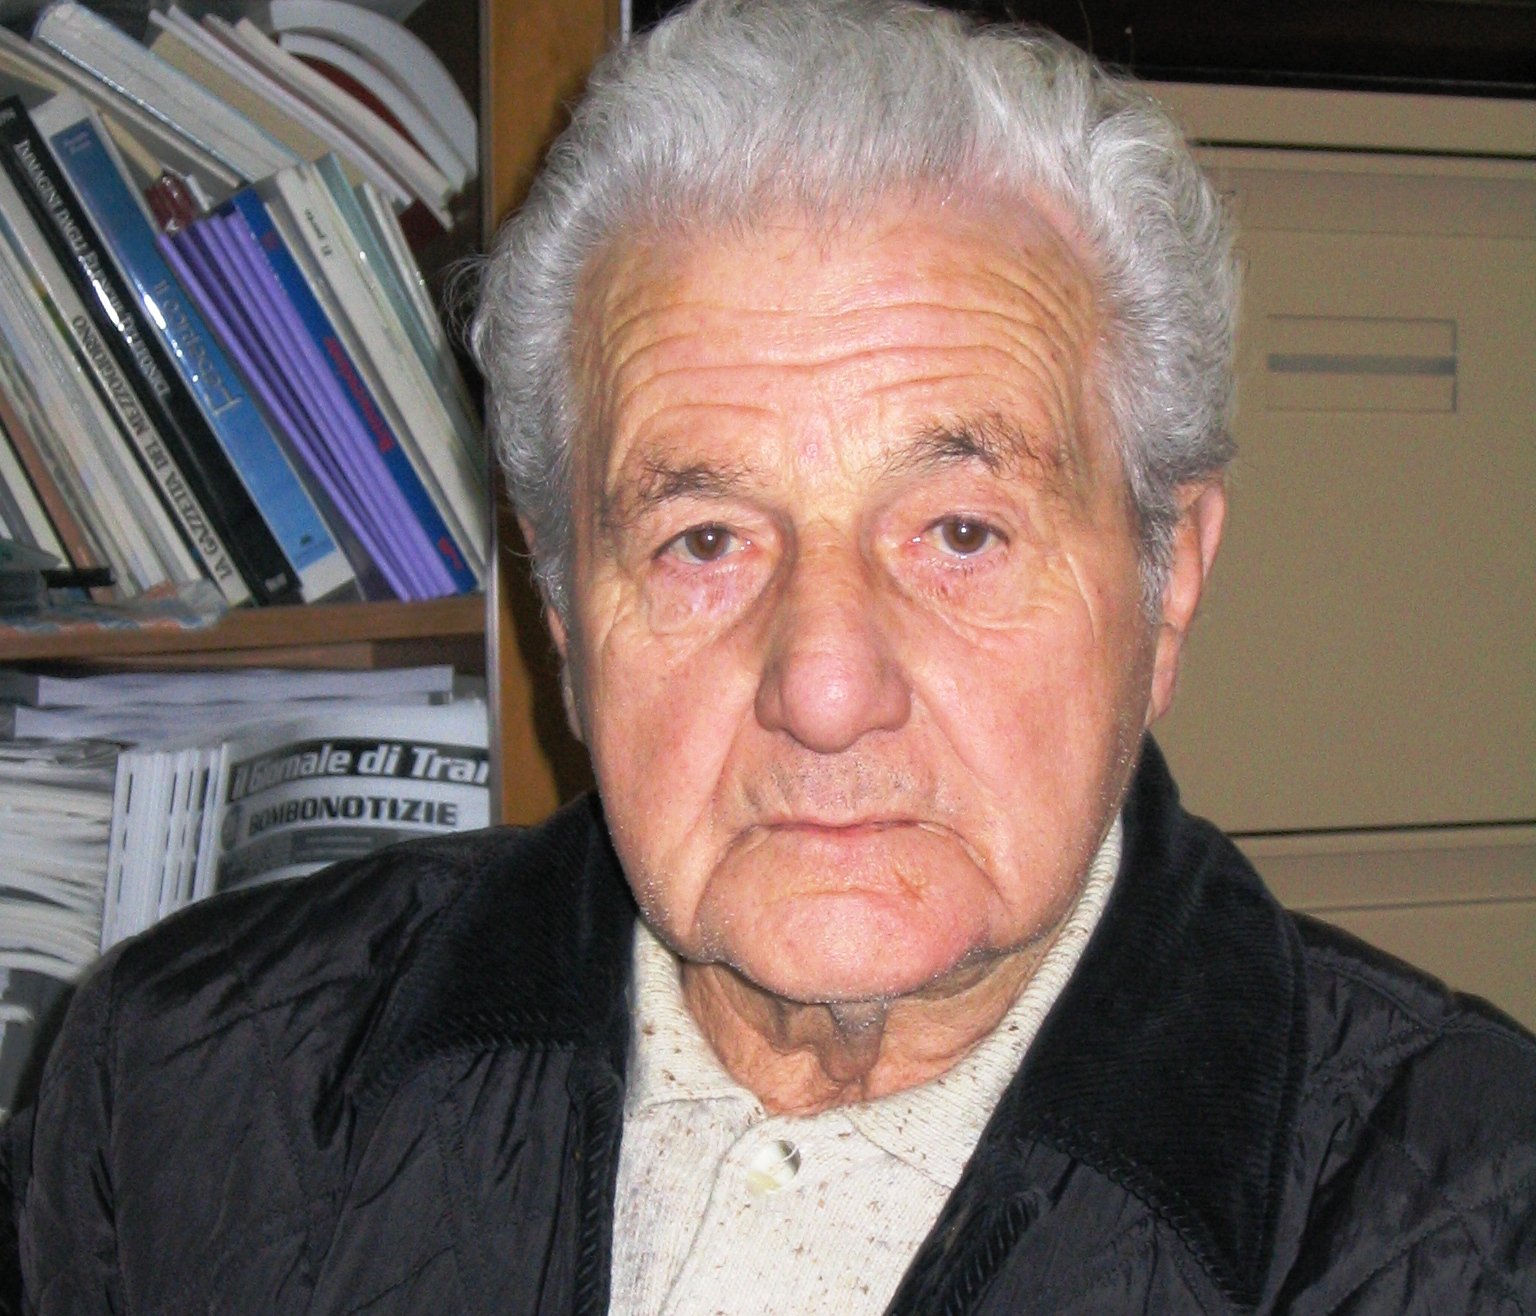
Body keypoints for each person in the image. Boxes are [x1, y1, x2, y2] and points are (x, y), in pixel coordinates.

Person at [6, 0, 1534, 1311]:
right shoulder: (178, 1086)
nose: (825, 689)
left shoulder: (1461, 1205)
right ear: (563, 608)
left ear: (1167, 578)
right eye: (704, 540)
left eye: (960, 532)